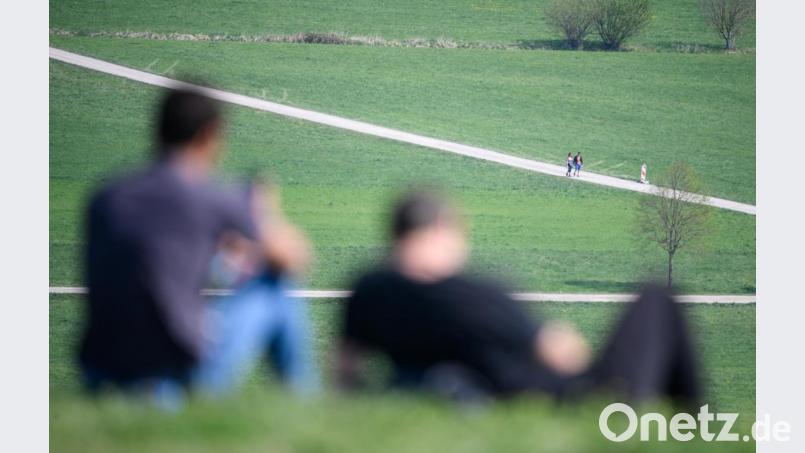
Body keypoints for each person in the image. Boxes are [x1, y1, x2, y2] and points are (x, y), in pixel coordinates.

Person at [336, 190, 701, 406]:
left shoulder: (367, 290)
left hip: (456, 392)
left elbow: (346, 372)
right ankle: (697, 425)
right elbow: (564, 355)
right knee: (657, 297)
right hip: (563, 398)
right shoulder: (474, 295)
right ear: (440, 230)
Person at [79, 88, 318, 407]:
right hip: (174, 368)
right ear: (209, 135)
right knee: (275, 288)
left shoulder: (106, 198)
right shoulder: (211, 198)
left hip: (102, 367)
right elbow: (295, 257)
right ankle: (308, 407)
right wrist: (262, 210)